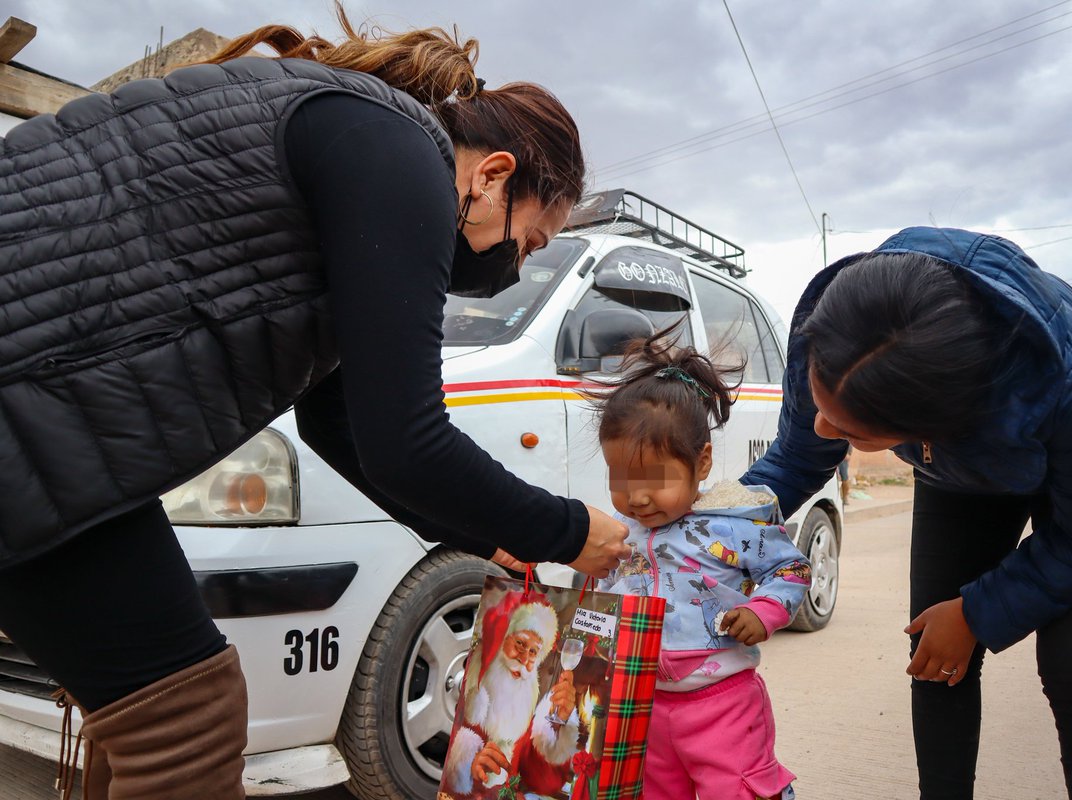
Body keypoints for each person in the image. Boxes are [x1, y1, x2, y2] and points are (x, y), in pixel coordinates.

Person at [0, 5, 630, 798]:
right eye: (531, 241)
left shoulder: (354, 147)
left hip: (42, 424)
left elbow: (338, 424)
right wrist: (567, 530)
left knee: (158, 707)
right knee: (182, 720)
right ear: (494, 176)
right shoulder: (398, 152)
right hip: (33, 412)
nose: (514, 265)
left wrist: (486, 535)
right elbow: (407, 438)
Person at [743, 226, 1072, 799]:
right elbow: (796, 456)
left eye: (849, 431)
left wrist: (977, 610)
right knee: (934, 652)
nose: (823, 430)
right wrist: (717, 526)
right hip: (962, 471)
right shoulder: (838, 329)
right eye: (823, 406)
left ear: (930, 426)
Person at [593, 331, 808, 800]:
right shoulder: (615, 534)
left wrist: (763, 611)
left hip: (723, 704)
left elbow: (791, 571)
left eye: (655, 478)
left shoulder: (732, 526)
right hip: (642, 706)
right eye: (621, 478)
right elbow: (595, 598)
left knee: (737, 791)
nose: (638, 496)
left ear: (702, 461)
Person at [442, 590, 580, 797]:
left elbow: (543, 780)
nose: (525, 659)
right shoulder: (472, 695)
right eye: (521, 644)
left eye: (534, 652)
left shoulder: (522, 706)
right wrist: (466, 766)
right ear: (501, 639)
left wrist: (560, 724)